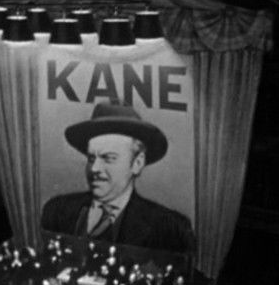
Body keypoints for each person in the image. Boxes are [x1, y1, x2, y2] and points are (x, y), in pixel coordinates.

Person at [41, 103, 195, 254]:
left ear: (137, 163)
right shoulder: (56, 212)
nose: (94, 168)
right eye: (91, 158)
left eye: (108, 158)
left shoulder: (170, 230)